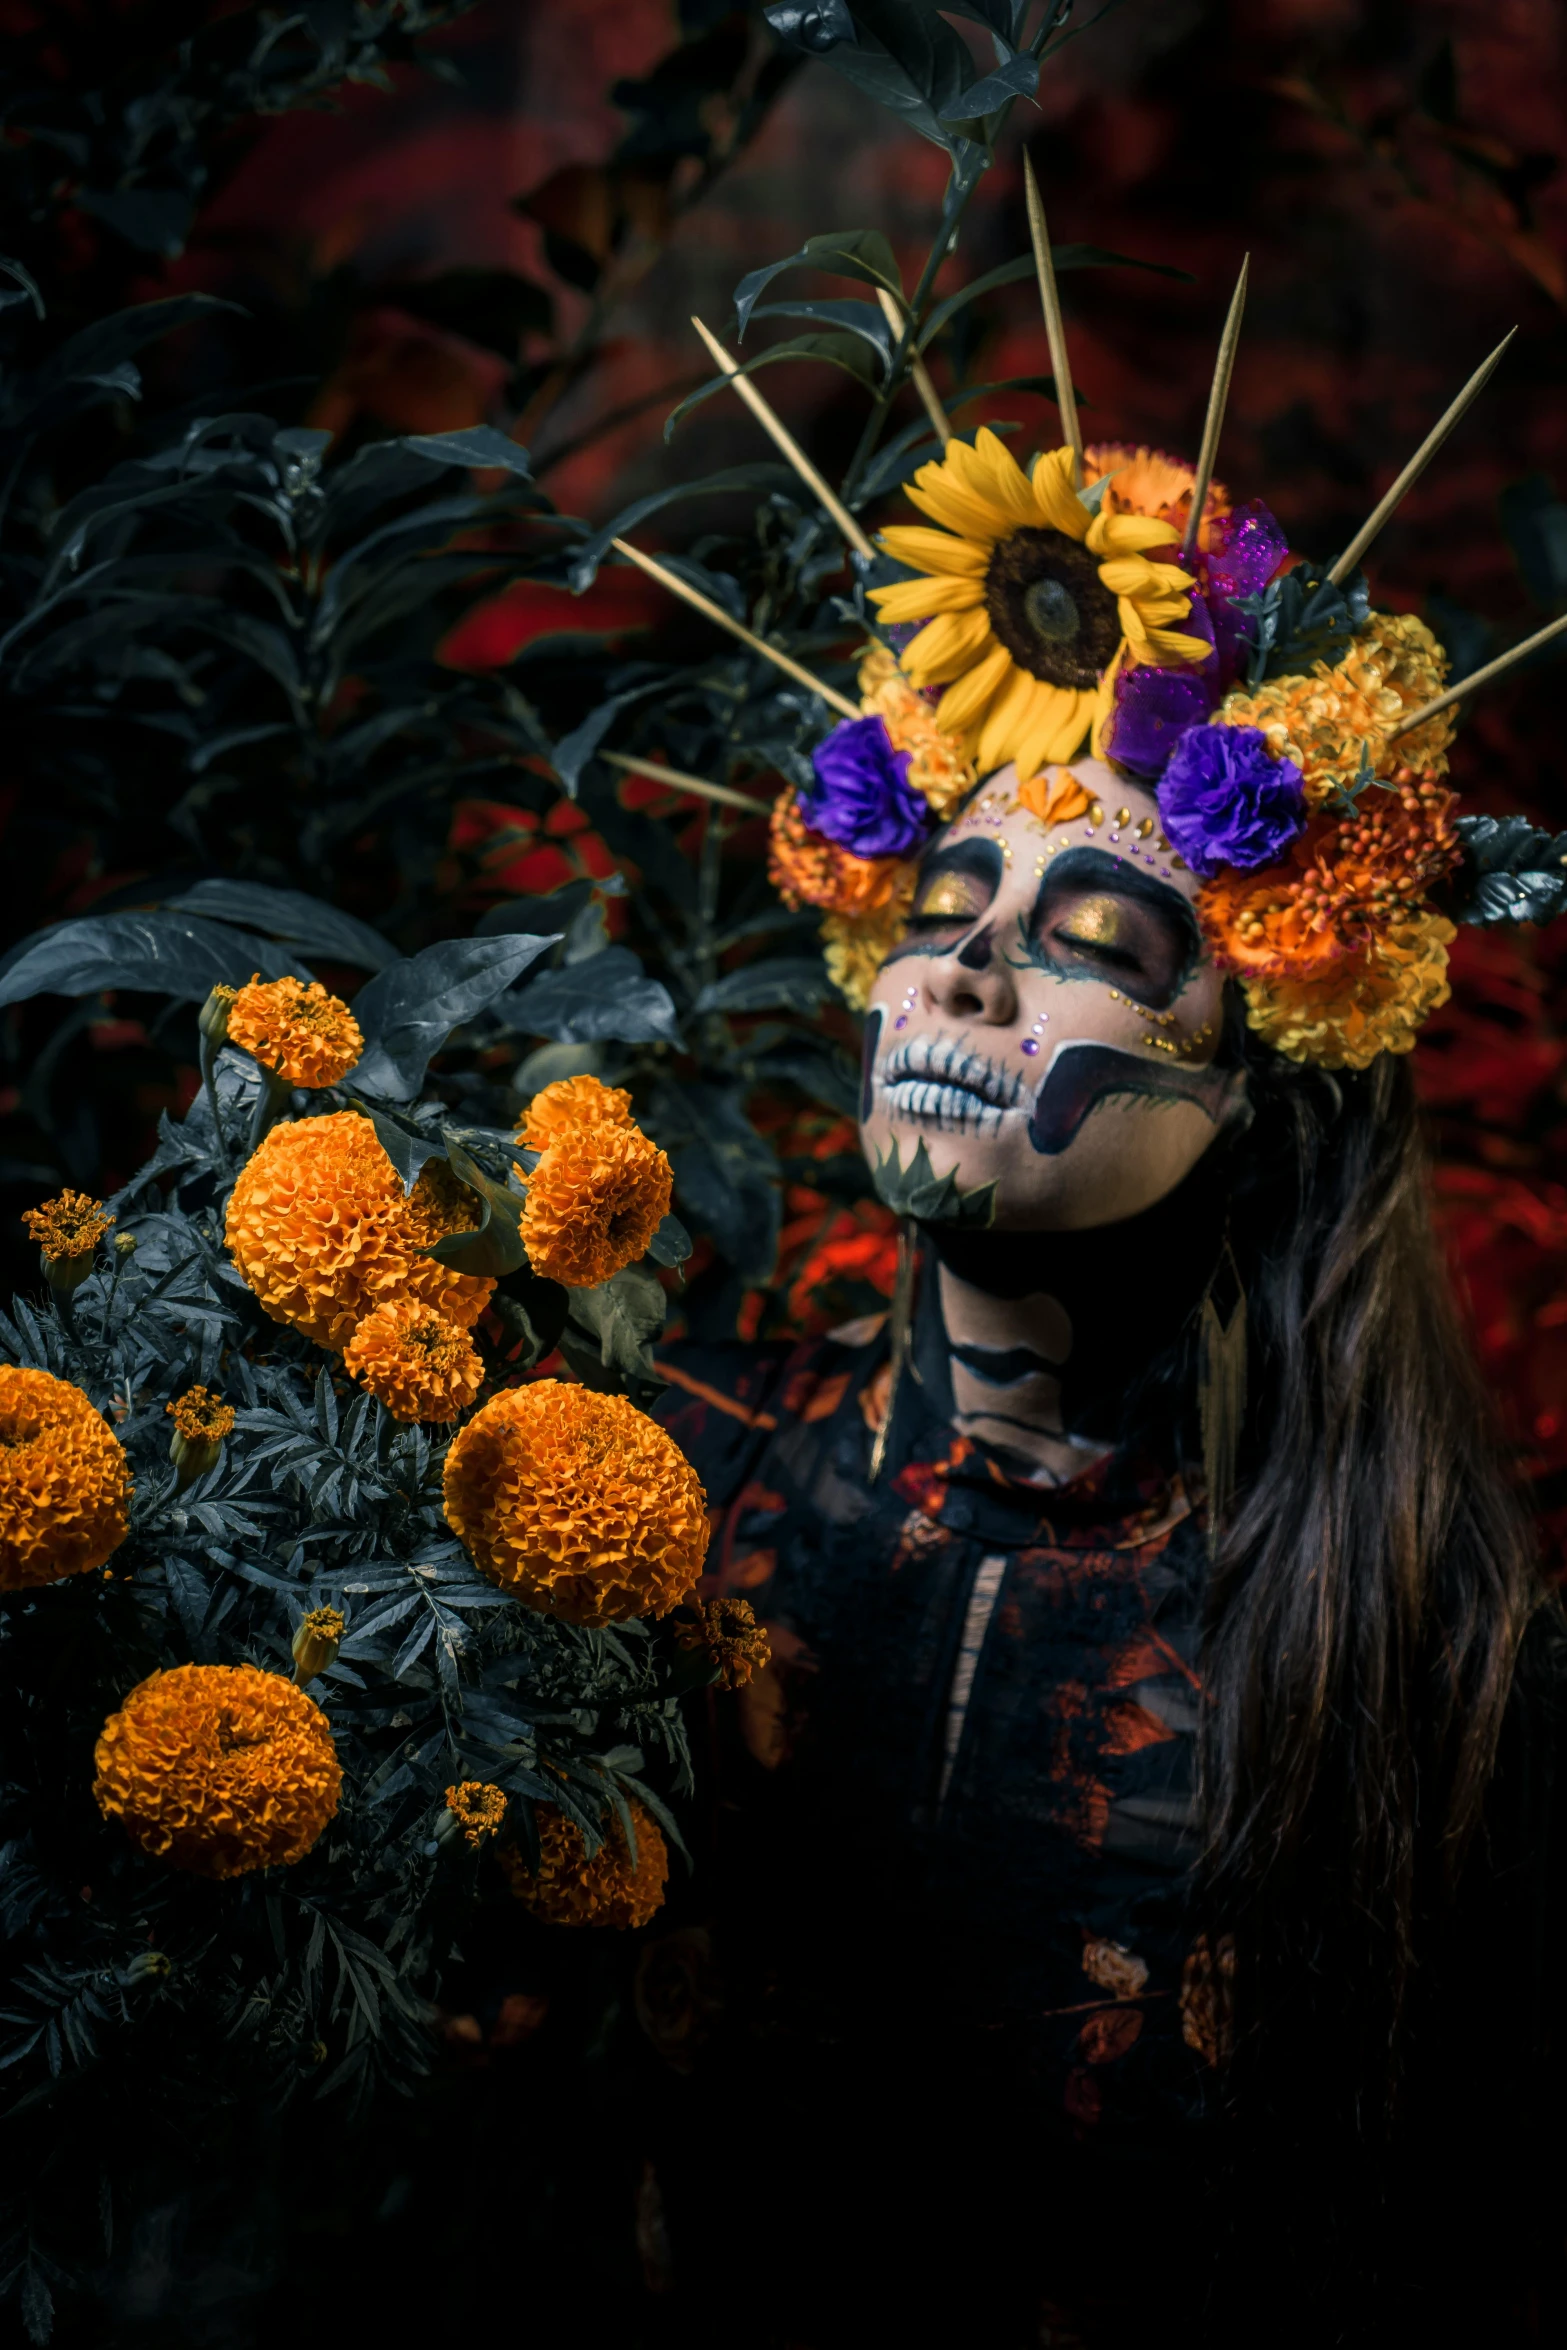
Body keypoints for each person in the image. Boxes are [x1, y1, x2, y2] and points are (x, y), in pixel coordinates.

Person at [634, 433, 1567, 2346]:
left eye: (1089, 942)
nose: (962, 975)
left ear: (1258, 1075)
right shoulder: (663, 1479)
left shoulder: (1435, 1647)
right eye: (939, 908)